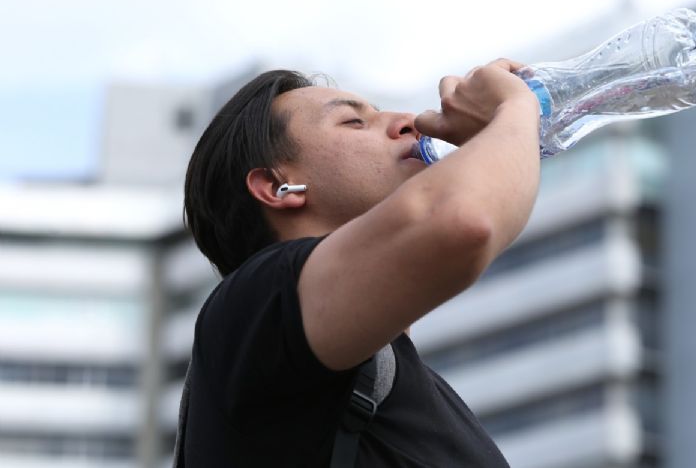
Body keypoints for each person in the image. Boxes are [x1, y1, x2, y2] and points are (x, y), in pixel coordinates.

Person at [178, 58, 541, 466]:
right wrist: (515, 109)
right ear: (278, 187)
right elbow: (460, 220)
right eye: (354, 122)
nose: (408, 122)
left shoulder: (420, 391)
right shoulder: (252, 310)